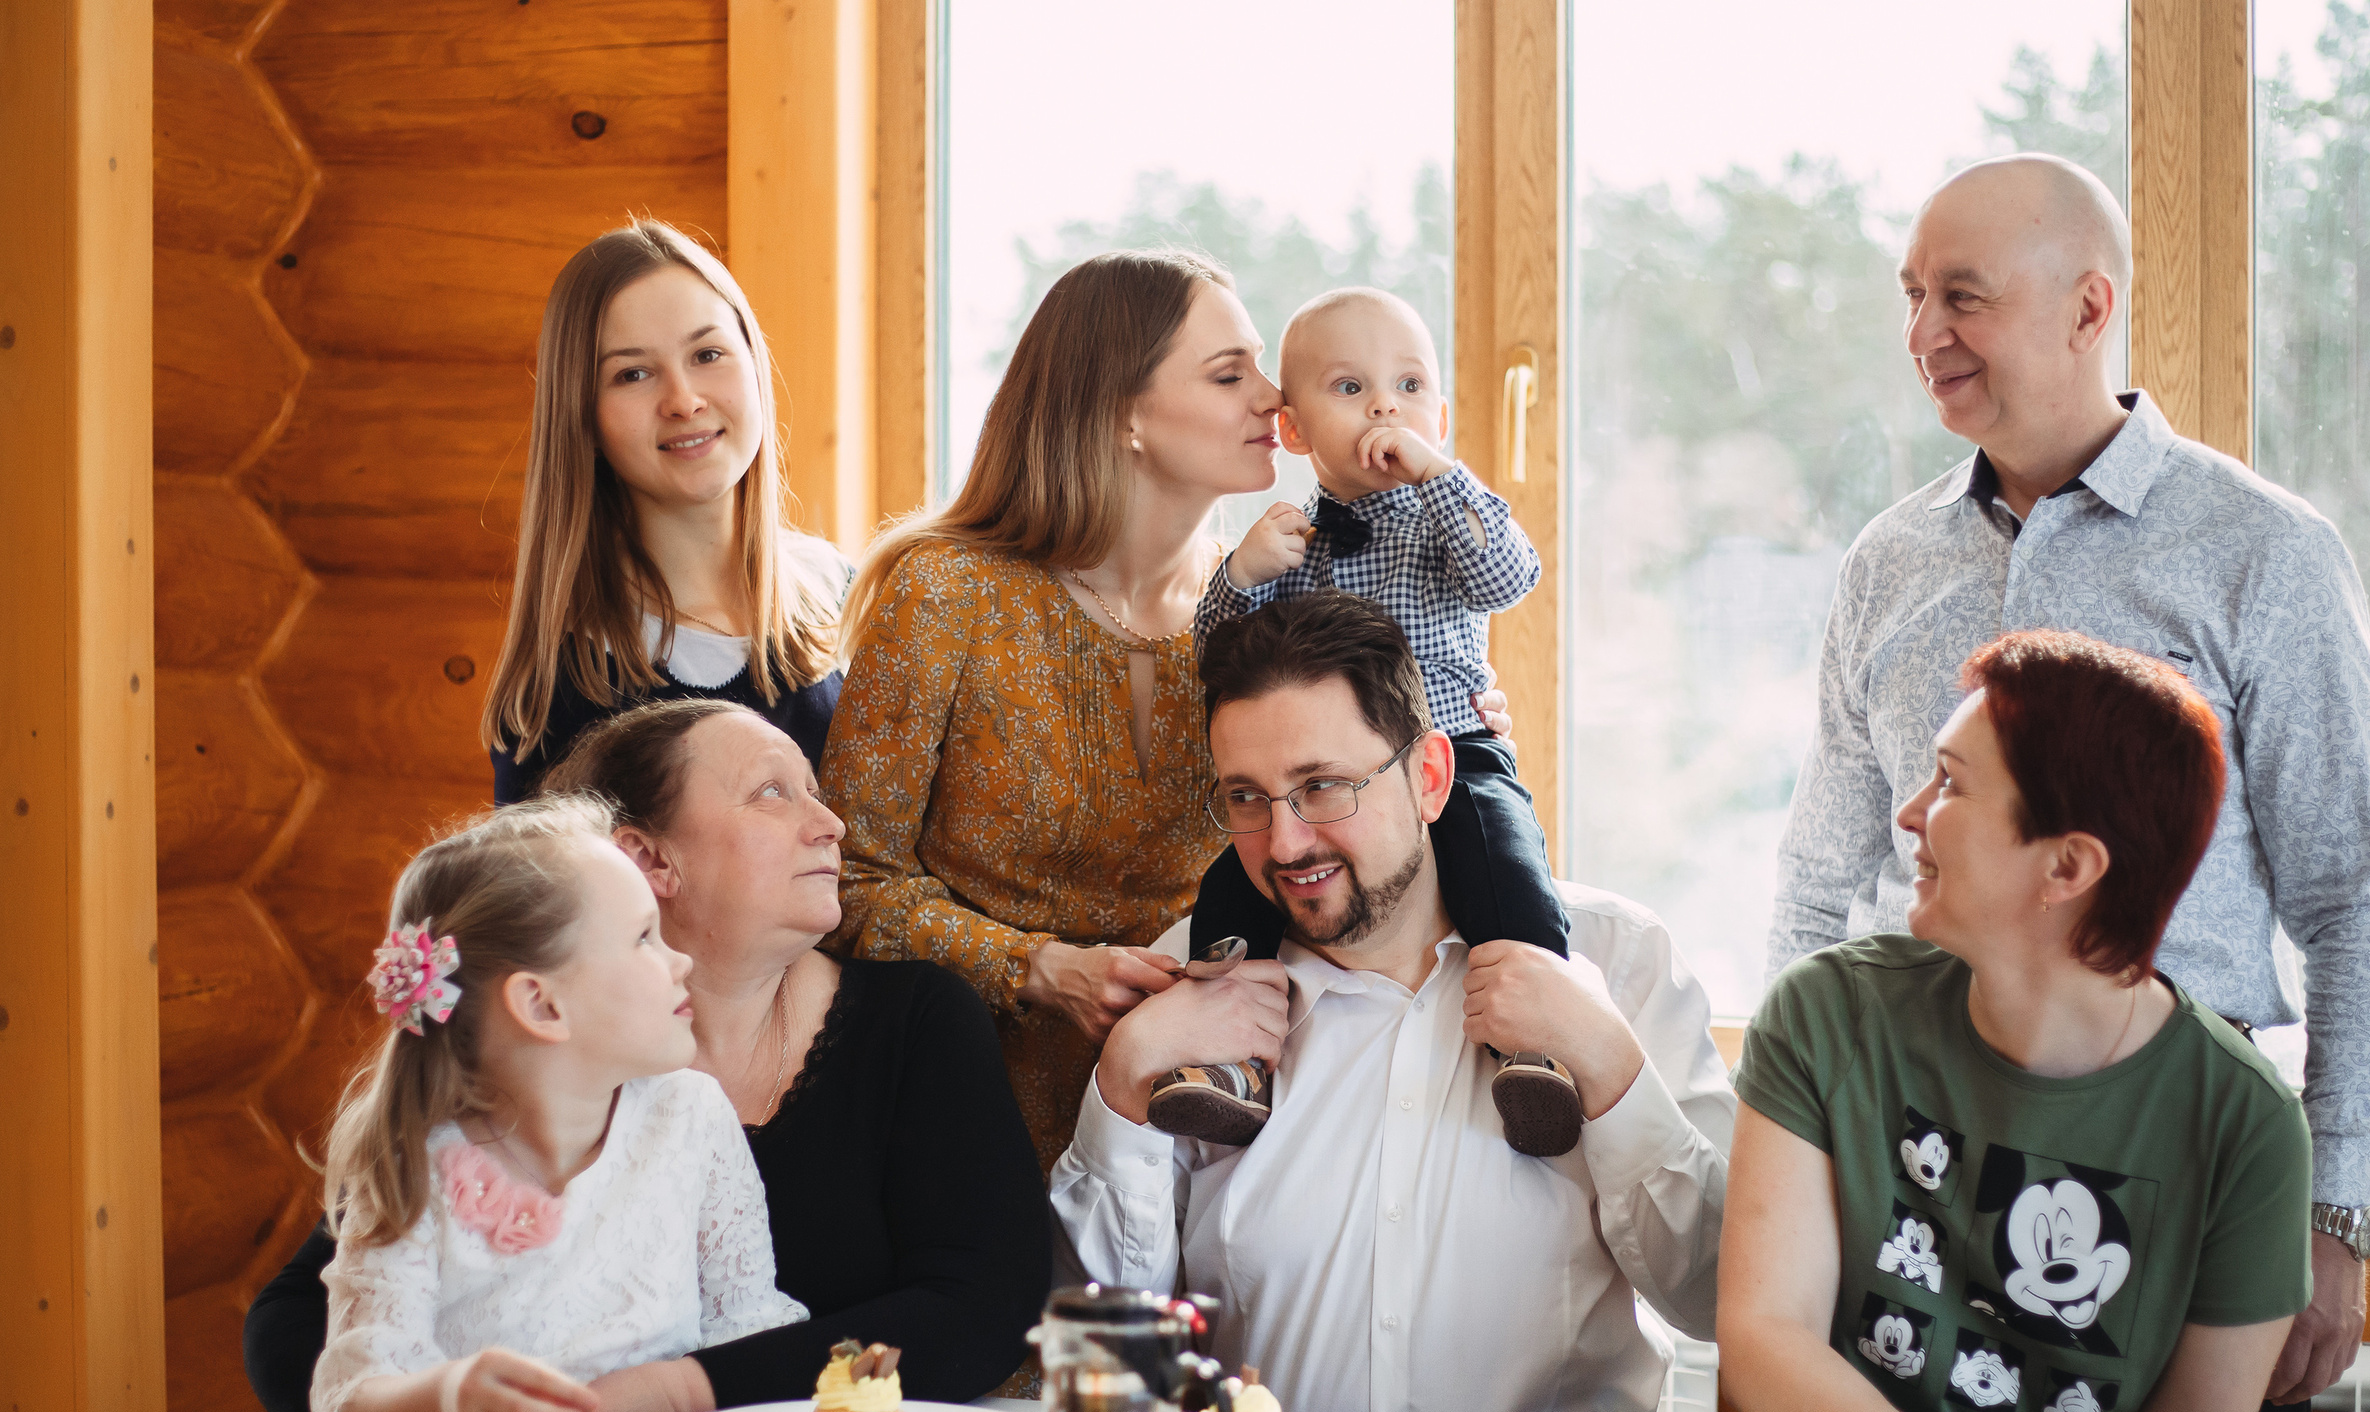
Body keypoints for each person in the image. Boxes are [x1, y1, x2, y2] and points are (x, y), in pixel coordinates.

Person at [1766, 151, 2370, 1412]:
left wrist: (2336, 1202)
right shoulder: (1889, 559)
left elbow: (2354, 896)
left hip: (2194, 1184)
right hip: (1921, 1180)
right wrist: (1794, 1137)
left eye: (1963, 296)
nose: (1925, 328)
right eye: (1912, 296)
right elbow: (1820, 871)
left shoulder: (2266, 551)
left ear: (2090, 307)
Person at [242, 700, 1051, 1412]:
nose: (831, 823)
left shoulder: (916, 1022)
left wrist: (673, 1394)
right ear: (649, 860)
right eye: (773, 791)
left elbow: (982, 1307)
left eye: (815, 788)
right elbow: (300, 1324)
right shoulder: (537, 1074)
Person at [1725, 630, 2309, 1412]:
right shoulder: (1827, 1015)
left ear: (2068, 866)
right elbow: (1764, 1339)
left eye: (1948, 784)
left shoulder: (2246, 1122)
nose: (1907, 813)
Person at [1051, 593, 1730, 1412]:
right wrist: (1122, 1081)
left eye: (1324, 787)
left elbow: (1714, 1296)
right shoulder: (1196, 981)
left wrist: (1610, 1066)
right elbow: (1105, 1344)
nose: (1287, 843)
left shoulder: (1619, 960)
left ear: (1432, 778)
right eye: (1248, 798)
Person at [244, 796, 810, 1412]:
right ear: (542, 1005)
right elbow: (351, 1411)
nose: (681, 960)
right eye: (645, 939)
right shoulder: (412, 1163)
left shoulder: (689, 1119)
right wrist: (448, 1402)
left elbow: (745, 1335)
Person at [816, 249, 1275, 1172]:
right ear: (1123, 415)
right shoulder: (947, 596)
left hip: (1203, 1129)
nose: (1275, 396)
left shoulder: (1269, 611)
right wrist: (1036, 966)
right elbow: (842, 885)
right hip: (960, 1105)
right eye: (1231, 374)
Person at [1162, 286, 1576, 1155]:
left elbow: (1510, 576)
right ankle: (1234, 1062)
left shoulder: (1443, 522)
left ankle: (1536, 1049)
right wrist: (1241, 570)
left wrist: (1438, 474)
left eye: (1410, 385)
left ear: (1442, 415)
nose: (1386, 404)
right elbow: (1219, 660)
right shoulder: (1290, 544)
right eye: (1350, 388)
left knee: (1506, 868)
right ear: (1298, 430)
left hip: (1452, 750)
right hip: (1315, 783)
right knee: (1230, 893)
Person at [480, 218, 848, 804]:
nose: (683, 400)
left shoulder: (850, 597)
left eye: (707, 353)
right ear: (583, 417)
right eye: (633, 373)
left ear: (754, 364)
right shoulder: (565, 689)